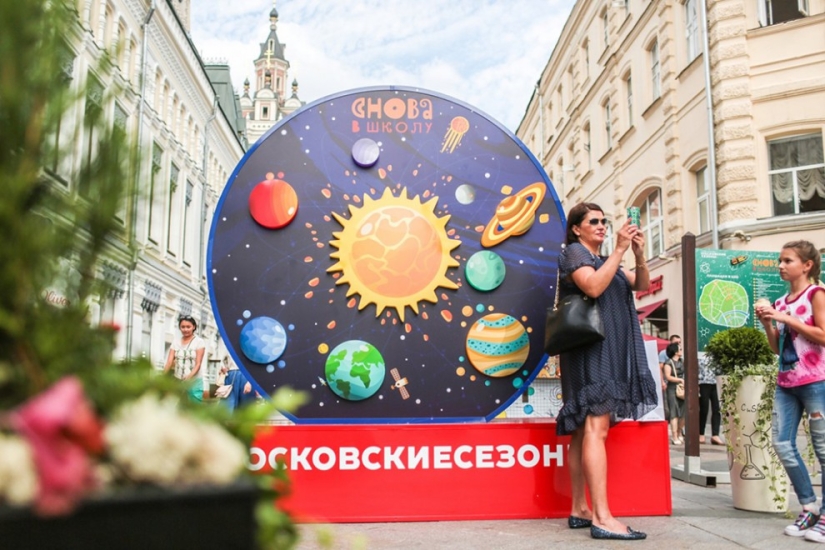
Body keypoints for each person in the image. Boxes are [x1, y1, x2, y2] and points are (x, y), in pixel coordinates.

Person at [555, 202, 658, 541]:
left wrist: (639, 255)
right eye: (593, 222)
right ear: (576, 229)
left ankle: (580, 509)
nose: (601, 226)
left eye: (604, 221)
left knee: (585, 432)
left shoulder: (603, 259)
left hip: (605, 348)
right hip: (590, 351)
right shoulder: (574, 254)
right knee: (595, 428)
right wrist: (619, 249)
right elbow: (594, 287)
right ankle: (602, 517)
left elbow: (640, 284)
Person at [756, 240, 825, 541]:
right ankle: (809, 506)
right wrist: (769, 323)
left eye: (787, 261)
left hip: (816, 382)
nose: (781, 266)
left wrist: (785, 318)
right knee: (783, 444)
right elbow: (777, 347)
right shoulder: (782, 302)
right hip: (787, 383)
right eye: (780, 261)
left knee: (823, 450)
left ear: (807, 265)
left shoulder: (816, 294)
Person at [163, 315, 206, 402]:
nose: (185, 329)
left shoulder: (199, 342)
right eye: (183, 327)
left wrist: (189, 377)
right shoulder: (176, 342)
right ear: (179, 327)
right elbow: (169, 362)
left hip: (194, 381)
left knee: (194, 408)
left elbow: (198, 364)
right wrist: (162, 377)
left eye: (188, 327)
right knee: (176, 407)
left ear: (193, 327)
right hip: (178, 380)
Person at [697, 353, 723, 445]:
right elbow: (696, 369)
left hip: (716, 382)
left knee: (717, 408)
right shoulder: (699, 353)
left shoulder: (718, 355)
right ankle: (701, 433)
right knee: (704, 409)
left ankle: (715, 434)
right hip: (703, 382)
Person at [663, 343, 685, 445]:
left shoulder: (683, 361)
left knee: (683, 413)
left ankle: (680, 432)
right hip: (672, 389)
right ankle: (674, 436)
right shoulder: (668, 363)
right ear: (675, 351)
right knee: (674, 412)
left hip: (683, 388)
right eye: (680, 349)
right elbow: (668, 377)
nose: (681, 350)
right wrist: (680, 379)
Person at [658, 335, 681, 421]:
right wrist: (662, 381)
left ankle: (679, 427)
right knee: (669, 406)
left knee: (680, 405)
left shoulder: (680, 353)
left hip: (679, 383)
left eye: (679, 342)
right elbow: (660, 367)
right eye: (676, 342)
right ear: (670, 342)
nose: (678, 344)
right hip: (668, 382)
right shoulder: (664, 353)